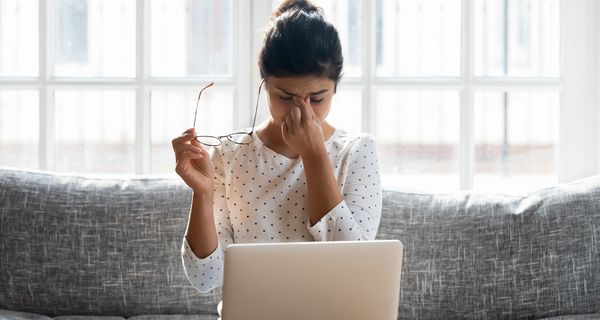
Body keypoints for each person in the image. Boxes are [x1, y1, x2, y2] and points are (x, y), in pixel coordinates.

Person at [173, 0, 382, 294]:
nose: (302, 111)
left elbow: (355, 268)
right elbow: (205, 279)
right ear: (264, 84)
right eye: (285, 97)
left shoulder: (357, 151)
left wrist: (314, 155)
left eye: (317, 98)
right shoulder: (230, 155)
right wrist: (203, 193)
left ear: (335, 88)